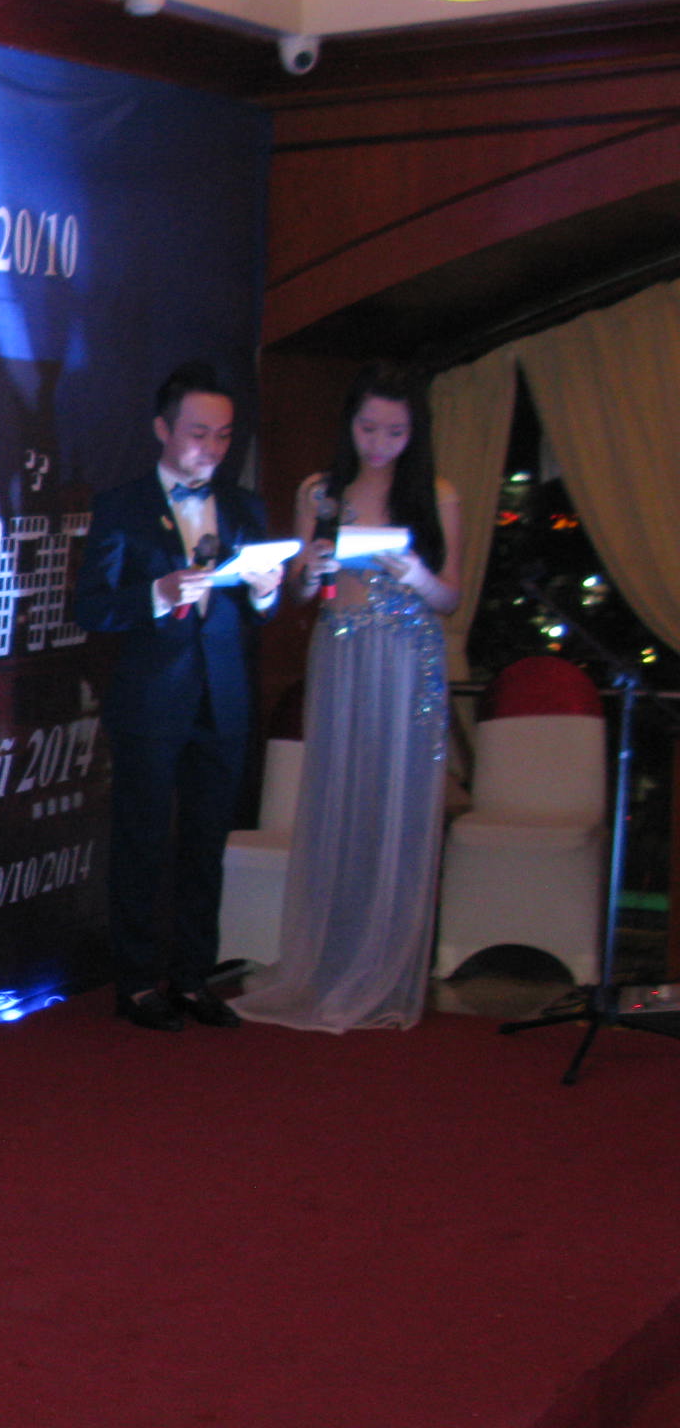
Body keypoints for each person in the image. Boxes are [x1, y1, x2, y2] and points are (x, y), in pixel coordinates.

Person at [234, 365, 460, 1032]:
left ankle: (385, 968)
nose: (379, 443)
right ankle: (329, 962)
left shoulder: (436, 493)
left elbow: (451, 595)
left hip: (409, 654)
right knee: (338, 795)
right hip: (341, 647)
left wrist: (414, 573)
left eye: (395, 431)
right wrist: (311, 569)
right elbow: (303, 593)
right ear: (349, 426)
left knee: (397, 802)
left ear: (414, 433)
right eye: (368, 428)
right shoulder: (321, 490)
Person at [72, 362, 285, 1031]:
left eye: (223, 436)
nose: (212, 448)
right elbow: (92, 607)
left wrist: (267, 592)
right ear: (163, 430)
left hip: (224, 698)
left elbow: (259, 611)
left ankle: (193, 976)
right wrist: (157, 595)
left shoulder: (246, 508)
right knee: (141, 840)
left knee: (206, 843)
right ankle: (137, 982)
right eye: (198, 433)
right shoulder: (123, 505)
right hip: (150, 698)